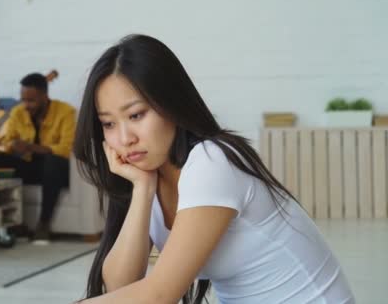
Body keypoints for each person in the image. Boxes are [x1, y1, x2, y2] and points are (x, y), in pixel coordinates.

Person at [73, 35, 354, 303]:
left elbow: (158, 296)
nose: (124, 139)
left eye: (136, 115)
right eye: (108, 124)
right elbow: (121, 287)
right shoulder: (151, 175)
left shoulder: (211, 162)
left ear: (171, 103)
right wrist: (142, 190)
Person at [0, 73, 76, 245]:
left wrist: (30, 147)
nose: (26, 105)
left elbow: (66, 149)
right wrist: (11, 145)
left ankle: (43, 225)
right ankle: (13, 223)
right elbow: (7, 139)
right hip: (31, 166)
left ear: (45, 96)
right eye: (23, 100)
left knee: (53, 162)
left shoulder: (65, 112)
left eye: (31, 100)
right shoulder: (18, 112)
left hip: (56, 171)